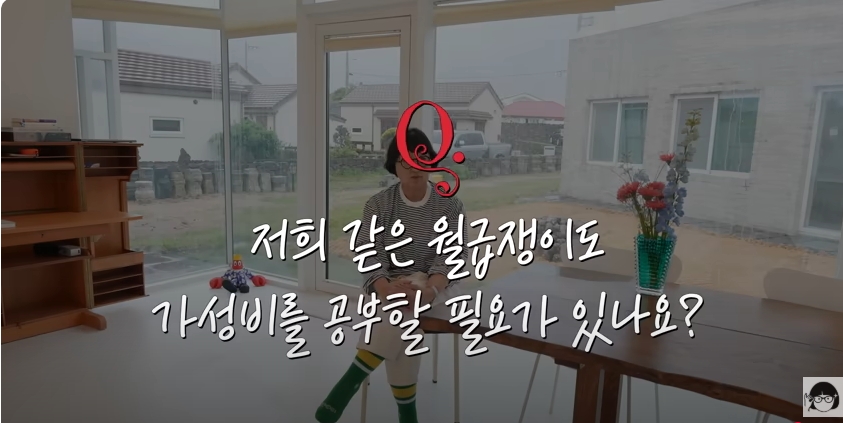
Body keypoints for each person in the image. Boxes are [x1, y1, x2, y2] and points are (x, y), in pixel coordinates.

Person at [315, 128, 467, 423]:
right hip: (390, 282)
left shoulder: (450, 204)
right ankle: (407, 413)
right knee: (401, 313)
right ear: (393, 167)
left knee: (401, 310)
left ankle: (350, 381)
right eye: (404, 160)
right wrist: (385, 288)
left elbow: (452, 255)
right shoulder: (378, 204)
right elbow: (369, 252)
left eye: (421, 158)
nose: (413, 167)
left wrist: (429, 290)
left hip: (436, 284)